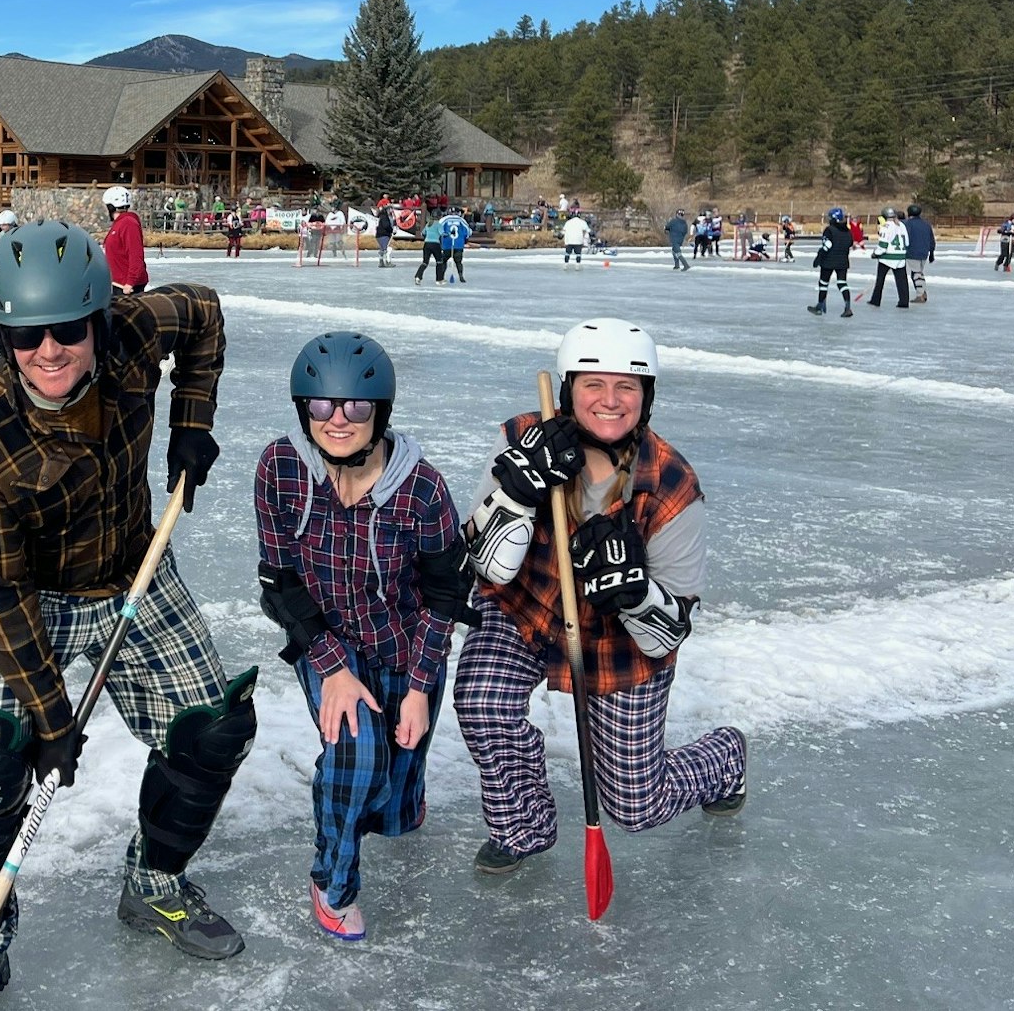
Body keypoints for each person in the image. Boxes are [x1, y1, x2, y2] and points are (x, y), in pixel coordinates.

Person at [0, 220, 249, 1005]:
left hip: (133, 569)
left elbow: (205, 313)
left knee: (212, 731)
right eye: (25, 334)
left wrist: (192, 425)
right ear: (2, 333)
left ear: (98, 322)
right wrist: (49, 720)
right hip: (31, 597)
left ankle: (154, 882)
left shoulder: (136, 332)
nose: (50, 351)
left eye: (68, 330)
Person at [452, 318, 746, 877]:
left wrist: (633, 592)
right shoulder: (522, 437)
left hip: (618, 643)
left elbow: (668, 633)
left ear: (646, 397)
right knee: (483, 700)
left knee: (638, 807)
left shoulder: (672, 484)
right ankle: (523, 825)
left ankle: (725, 757)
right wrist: (518, 495)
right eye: (593, 385)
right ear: (567, 390)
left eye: (626, 387)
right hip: (527, 606)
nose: (609, 401)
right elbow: (486, 565)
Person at [255, 333, 476, 942]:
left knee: (397, 790)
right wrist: (331, 668)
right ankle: (333, 882)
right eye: (322, 407)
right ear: (304, 409)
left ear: (380, 412)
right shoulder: (282, 469)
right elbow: (279, 582)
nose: (338, 421)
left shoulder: (422, 487)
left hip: (404, 640)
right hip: (325, 636)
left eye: (356, 407)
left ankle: (401, 798)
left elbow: (443, 596)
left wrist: (420, 686)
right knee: (357, 756)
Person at [809, 207, 855, 317]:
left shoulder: (830, 230)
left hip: (828, 261)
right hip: (843, 262)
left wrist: (818, 258)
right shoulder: (847, 231)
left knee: (823, 283)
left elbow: (827, 246)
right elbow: (850, 243)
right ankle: (847, 307)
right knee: (842, 283)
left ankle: (820, 306)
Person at [102, 185, 149, 294]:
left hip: (126, 287)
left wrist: (130, 283)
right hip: (116, 283)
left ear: (111, 206)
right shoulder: (119, 223)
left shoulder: (128, 223)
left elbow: (135, 254)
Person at [867, 207, 911, 308]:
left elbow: (883, 245)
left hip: (887, 257)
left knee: (880, 280)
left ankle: (876, 300)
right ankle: (904, 301)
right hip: (900, 257)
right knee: (902, 281)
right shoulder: (901, 225)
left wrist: (875, 253)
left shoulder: (886, 226)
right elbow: (907, 242)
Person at [904, 203, 936, 304]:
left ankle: (920, 294)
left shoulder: (908, 224)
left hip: (912, 251)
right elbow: (932, 239)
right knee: (918, 272)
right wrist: (931, 253)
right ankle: (923, 292)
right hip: (924, 252)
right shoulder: (926, 224)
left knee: (916, 273)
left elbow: (905, 237)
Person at [411, 209, 446, 284]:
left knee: (425, 262)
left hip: (427, 244)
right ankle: (439, 279)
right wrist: (449, 234)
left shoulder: (428, 224)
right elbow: (442, 233)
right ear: (439, 216)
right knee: (439, 262)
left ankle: (418, 277)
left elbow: (423, 233)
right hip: (435, 244)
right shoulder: (439, 225)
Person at [440, 206, 471, 283]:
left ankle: (441, 276)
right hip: (458, 244)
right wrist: (465, 239)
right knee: (458, 262)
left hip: (447, 244)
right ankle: (461, 276)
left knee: (444, 261)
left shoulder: (444, 219)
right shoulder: (461, 220)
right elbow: (468, 231)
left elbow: (439, 229)